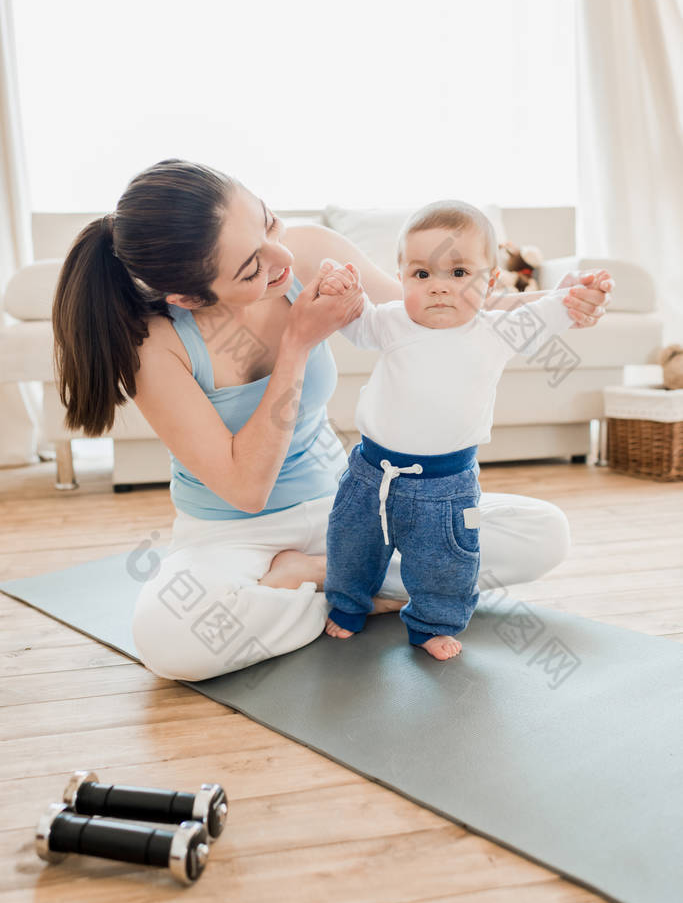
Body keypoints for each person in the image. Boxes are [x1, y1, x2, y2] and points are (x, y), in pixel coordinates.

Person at [51, 159, 614, 682]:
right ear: (188, 296)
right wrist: (297, 342)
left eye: (269, 224)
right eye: (253, 267)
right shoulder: (157, 343)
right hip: (232, 536)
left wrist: (555, 302)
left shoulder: (311, 249)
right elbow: (247, 489)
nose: (283, 259)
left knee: (545, 533)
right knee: (168, 639)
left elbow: (434, 315)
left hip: (350, 503)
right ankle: (333, 579)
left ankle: (342, 584)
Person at [316, 200, 611, 660]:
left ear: (490, 281)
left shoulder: (497, 330)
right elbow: (354, 322)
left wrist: (578, 297)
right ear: (401, 277)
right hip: (370, 473)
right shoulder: (391, 320)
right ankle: (348, 605)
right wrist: (342, 291)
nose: (438, 288)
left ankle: (432, 623)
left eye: (458, 274)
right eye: (421, 275)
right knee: (350, 546)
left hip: (447, 487)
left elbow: (551, 314)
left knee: (448, 562)